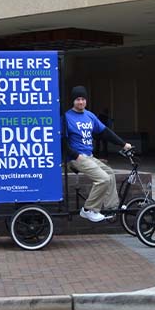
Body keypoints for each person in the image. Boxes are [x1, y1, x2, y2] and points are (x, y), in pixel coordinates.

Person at [65, 86, 133, 222]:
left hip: (89, 156)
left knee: (110, 174)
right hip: (76, 158)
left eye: (83, 99)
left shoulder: (89, 116)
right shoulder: (66, 117)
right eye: (78, 99)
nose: (81, 102)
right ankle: (89, 209)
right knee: (103, 179)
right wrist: (75, 155)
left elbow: (104, 132)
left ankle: (112, 207)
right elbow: (61, 142)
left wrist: (123, 144)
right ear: (73, 101)